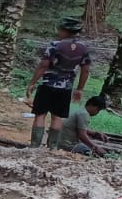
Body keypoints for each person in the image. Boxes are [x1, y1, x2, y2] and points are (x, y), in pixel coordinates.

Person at [27, 18, 93, 148]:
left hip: (48, 85)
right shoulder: (83, 48)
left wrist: (32, 83)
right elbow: (85, 70)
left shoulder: (55, 45)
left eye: (60, 30)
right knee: (57, 117)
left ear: (65, 31)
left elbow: (43, 65)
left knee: (40, 114)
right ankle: (52, 147)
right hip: (66, 88)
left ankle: (34, 146)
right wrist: (80, 89)